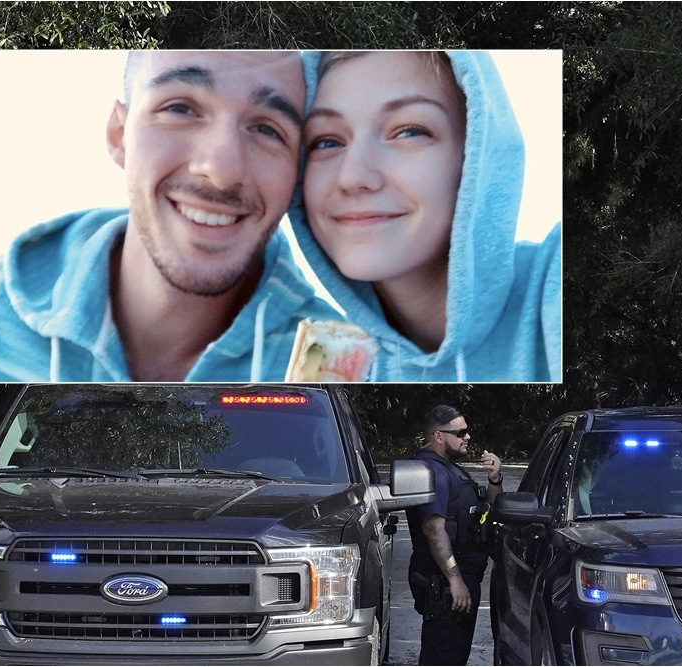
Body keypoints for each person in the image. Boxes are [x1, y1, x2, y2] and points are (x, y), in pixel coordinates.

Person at [0, 50, 340, 382]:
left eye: (266, 129)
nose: (222, 170)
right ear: (119, 134)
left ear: (298, 175)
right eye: (180, 108)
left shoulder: (336, 360)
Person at [288, 50, 562, 382]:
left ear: (477, 153)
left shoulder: (559, 278)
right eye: (326, 141)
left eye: (409, 131)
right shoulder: (333, 362)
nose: (352, 176)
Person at [405, 404, 504, 665]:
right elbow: (433, 530)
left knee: (455, 654)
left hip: (458, 580)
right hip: (444, 586)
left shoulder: (448, 467)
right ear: (438, 436)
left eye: (467, 431)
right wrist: (455, 579)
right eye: (460, 433)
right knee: (443, 655)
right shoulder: (432, 471)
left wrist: (494, 479)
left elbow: (488, 513)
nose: (467, 437)